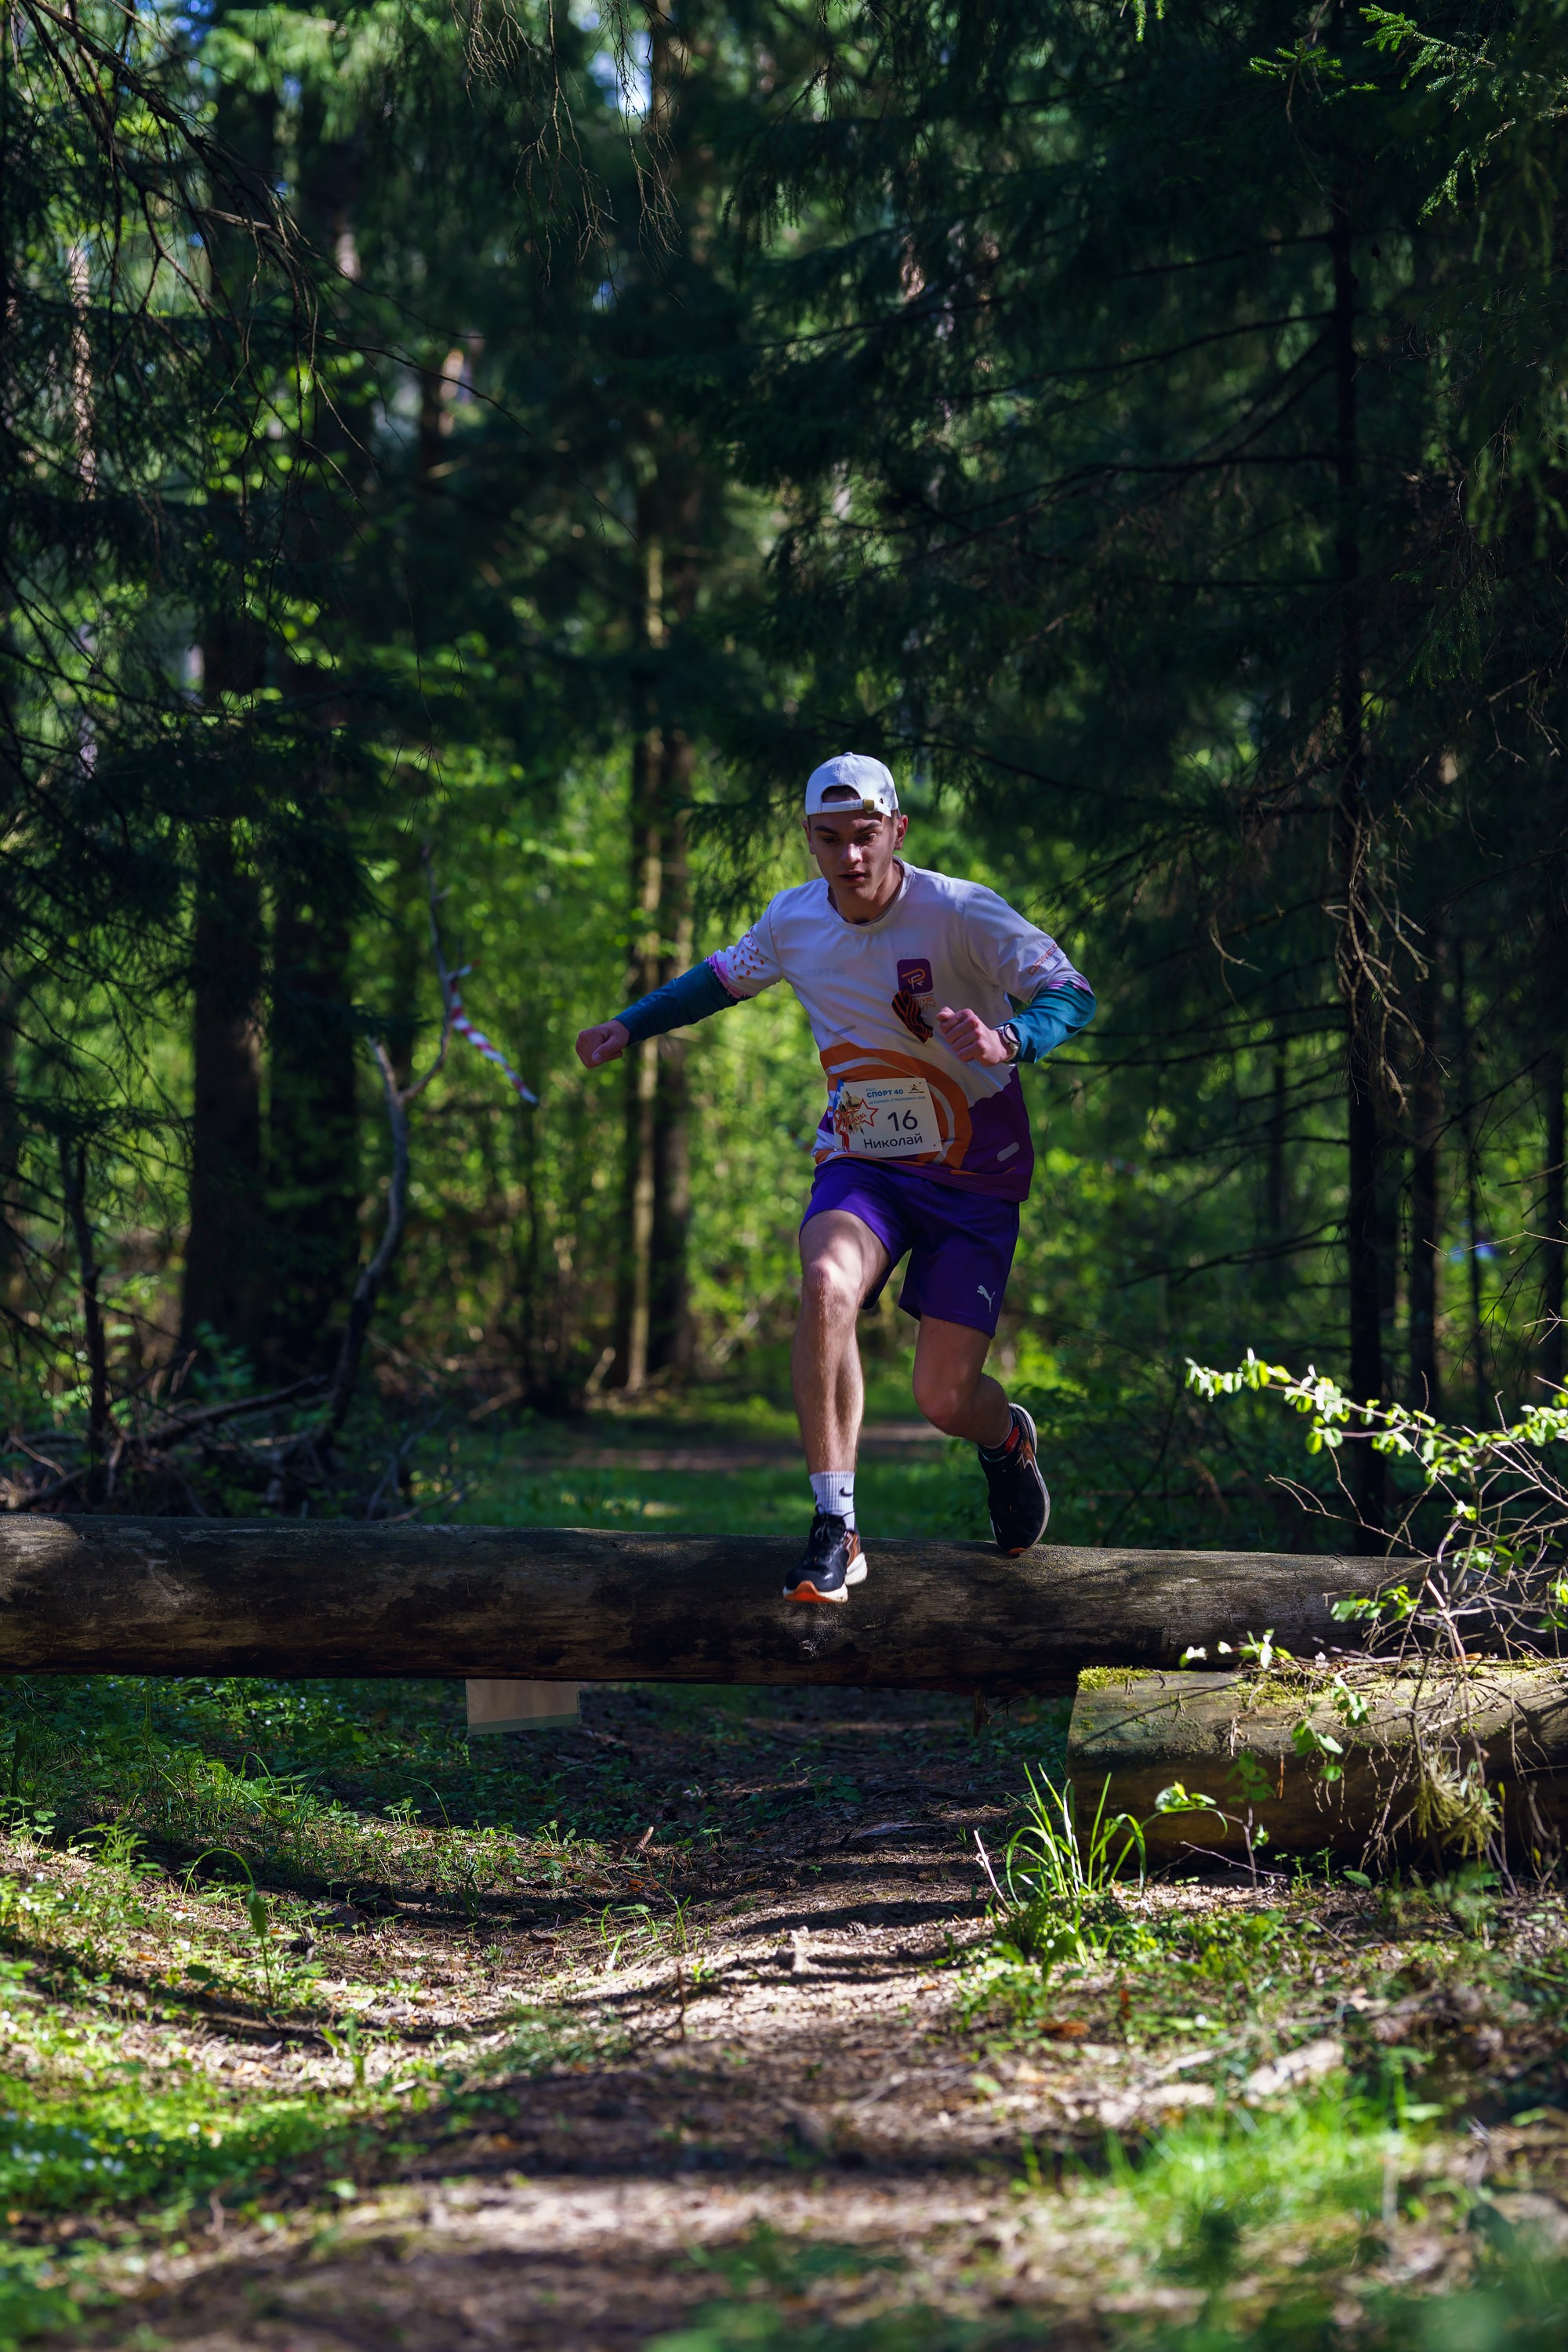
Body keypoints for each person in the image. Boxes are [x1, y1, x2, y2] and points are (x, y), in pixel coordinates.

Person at [575, 753, 1095, 1602]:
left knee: (943, 1398)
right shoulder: (793, 921)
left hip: (974, 1172)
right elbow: (717, 979)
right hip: (864, 1161)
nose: (849, 856)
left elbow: (1071, 990)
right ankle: (836, 1525)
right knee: (824, 1282)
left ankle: (1006, 1441)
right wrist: (628, 1026)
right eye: (829, 839)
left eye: (864, 835)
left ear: (897, 831)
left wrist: (1010, 1038)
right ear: (809, 841)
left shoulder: (961, 911)